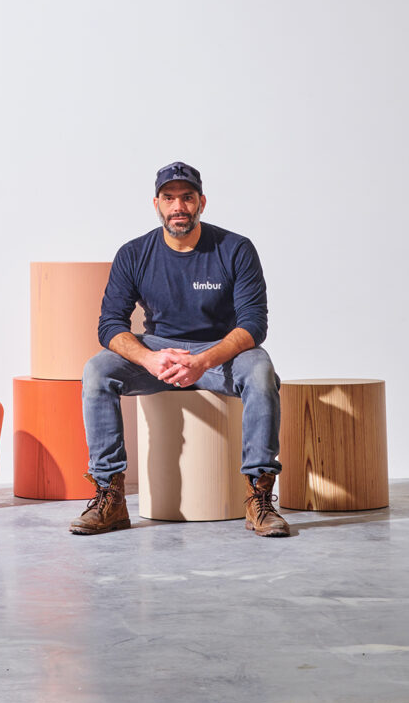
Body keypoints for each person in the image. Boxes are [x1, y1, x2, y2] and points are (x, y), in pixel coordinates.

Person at [69, 161, 289, 538]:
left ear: (201, 201)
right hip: (158, 351)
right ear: (156, 203)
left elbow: (254, 324)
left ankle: (259, 497)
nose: (178, 207)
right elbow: (110, 326)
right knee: (97, 371)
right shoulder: (134, 253)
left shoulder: (235, 249)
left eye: (186, 198)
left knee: (260, 369)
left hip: (220, 353)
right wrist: (150, 358)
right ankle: (110, 496)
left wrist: (203, 361)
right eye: (169, 198)